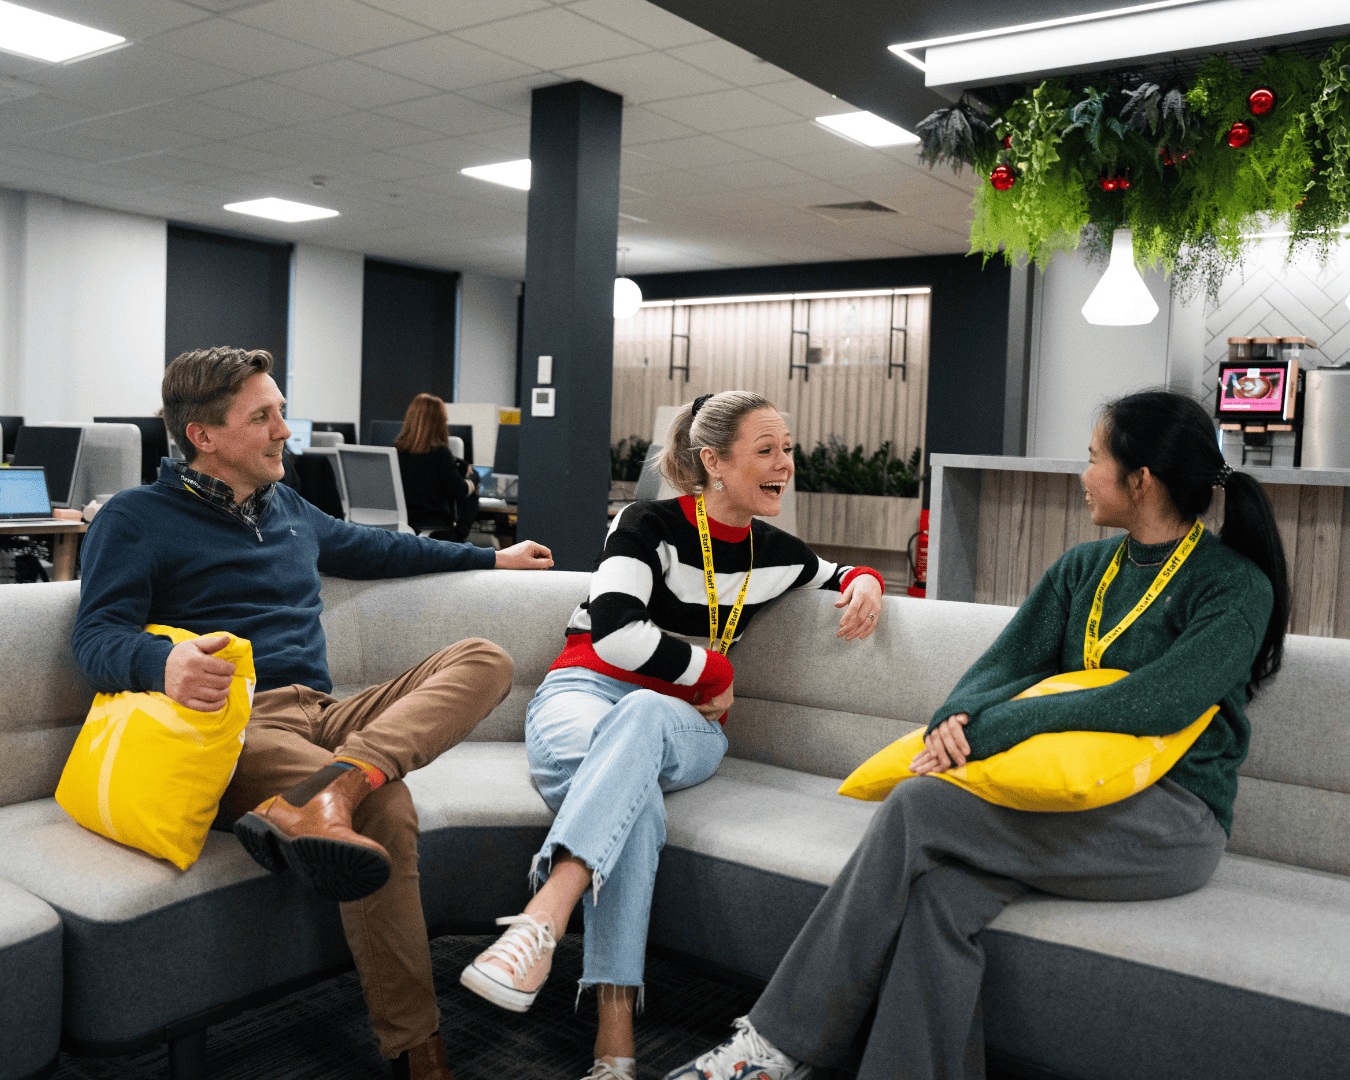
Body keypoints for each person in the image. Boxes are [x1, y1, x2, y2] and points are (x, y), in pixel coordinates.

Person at [666, 389, 1290, 1080]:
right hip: (1058, 802)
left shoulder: (1234, 588)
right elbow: (999, 668)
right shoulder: (1084, 568)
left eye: (1092, 460)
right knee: (938, 898)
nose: (1082, 476)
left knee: (917, 804)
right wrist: (953, 723)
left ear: (1140, 480)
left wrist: (994, 729)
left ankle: (778, 1045)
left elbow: (1156, 702)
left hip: (1169, 823)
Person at [71, 348, 554, 1080]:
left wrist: (493, 560)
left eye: (281, 411)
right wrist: (161, 662)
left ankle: (336, 788)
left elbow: (377, 548)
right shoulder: (136, 519)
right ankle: (418, 1051)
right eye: (262, 417)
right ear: (204, 435)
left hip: (328, 714)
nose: (284, 430)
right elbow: (96, 637)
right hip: (241, 727)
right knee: (385, 807)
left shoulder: (288, 508)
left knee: (485, 658)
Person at [457, 391, 887, 1080]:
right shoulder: (645, 523)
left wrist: (867, 581)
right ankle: (615, 1043)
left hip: (683, 724)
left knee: (648, 714)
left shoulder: (777, 551)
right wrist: (712, 666)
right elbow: (617, 631)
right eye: (767, 450)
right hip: (584, 694)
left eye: (788, 449)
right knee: (637, 807)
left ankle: (546, 912)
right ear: (713, 461)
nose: (786, 465)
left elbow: (838, 573)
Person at [395, 393, 479, 541]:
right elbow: (459, 490)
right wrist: (473, 477)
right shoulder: (440, 453)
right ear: (440, 423)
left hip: (404, 526)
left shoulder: (396, 452)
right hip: (437, 531)